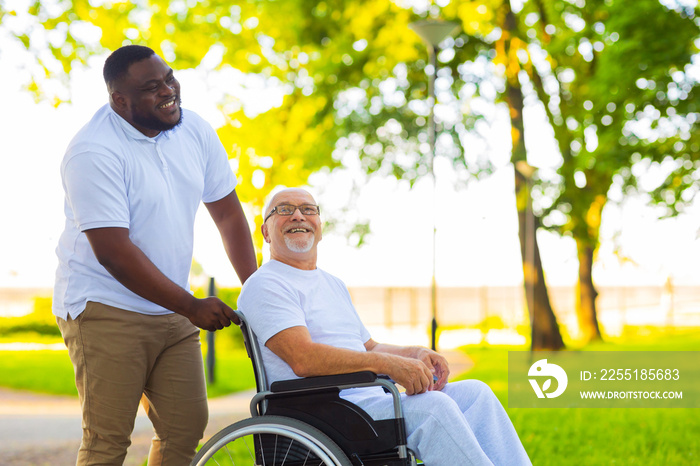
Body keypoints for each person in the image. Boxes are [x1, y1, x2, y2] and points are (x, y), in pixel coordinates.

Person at [53, 45, 258, 465]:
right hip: (103, 308)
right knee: (107, 440)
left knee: (184, 428)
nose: (169, 91)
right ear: (120, 101)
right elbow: (114, 252)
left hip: (171, 307)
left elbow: (228, 214)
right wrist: (191, 306)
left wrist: (256, 292)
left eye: (169, 78)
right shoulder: (93, 152)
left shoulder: (194, 129)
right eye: (152, 87)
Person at [238, 187, 532, 465]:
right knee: (433, 411)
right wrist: (389, 366)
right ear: (265, 231)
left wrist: (414, 354)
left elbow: (369, 347)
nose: (298, 216)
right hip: (322, 409)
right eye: (284, 209)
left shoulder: (332, 284)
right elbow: (303, 358)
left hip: (369, 399)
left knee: (476, 395)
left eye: (307, 209)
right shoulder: (266, 284)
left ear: (320, 226)